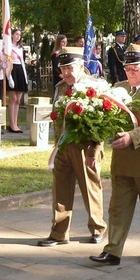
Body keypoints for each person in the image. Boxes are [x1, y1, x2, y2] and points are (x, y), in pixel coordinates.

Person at [90, 44, 140, 265]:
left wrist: (132, 137)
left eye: (135, 68)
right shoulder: (119, 88)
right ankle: (113, 251)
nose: (130, 73)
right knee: (118, 208)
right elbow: (105, 119)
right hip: (123, 160)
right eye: (127, 68)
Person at [38, 47, 107, 247]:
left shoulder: (93, 86)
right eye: (63, 68)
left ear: (80, 66)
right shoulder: (60, 87)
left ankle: (97, 228)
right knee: (60, 190)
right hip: (63, 147)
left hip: (85, 148)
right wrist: (57, 145)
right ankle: (59, 233)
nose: (66, 73)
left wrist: (94, 151)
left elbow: (100, 123)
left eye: (70, 68)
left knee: (90, 188)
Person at [7, 29, 28, 133]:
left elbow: (23, 63)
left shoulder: (20, 48)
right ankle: (11, 124)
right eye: (16, 34)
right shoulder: (8, 47)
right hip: (12, 70)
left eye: (19, 35)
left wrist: (25, 76)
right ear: (12, 35)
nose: (18, 36)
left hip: (20, 71)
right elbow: (7, 62)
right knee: (13, 98)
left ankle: (15, 123)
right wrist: (9, 77)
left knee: (18, 100)